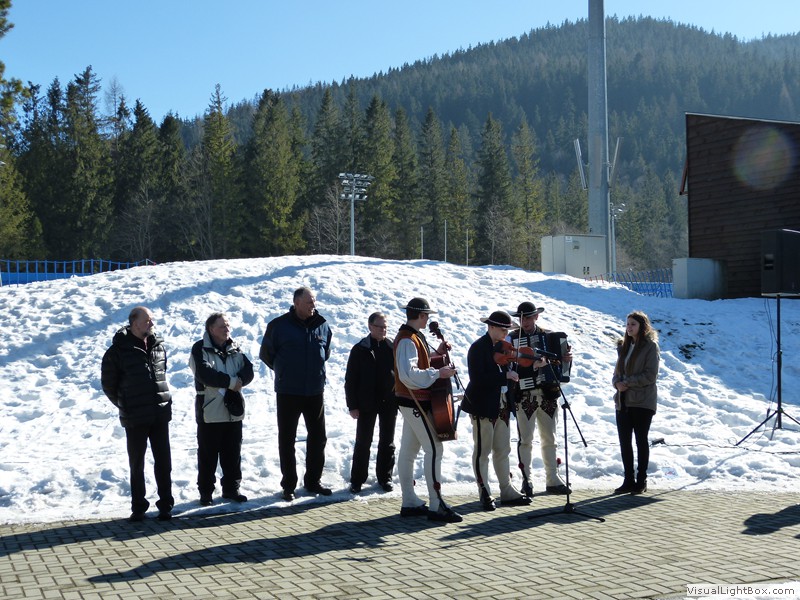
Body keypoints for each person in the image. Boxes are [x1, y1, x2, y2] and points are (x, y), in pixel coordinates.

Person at [101, 306, 174, 522]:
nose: (152, 324)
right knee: (137, 464)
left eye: (152, 320)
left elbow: (162, 374)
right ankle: (139, 507)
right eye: (147, 320)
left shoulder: (158, 346)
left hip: (159, 413)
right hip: (135, 417)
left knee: (164, 462)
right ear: (134, 323)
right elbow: (109, 385)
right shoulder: (117, 351)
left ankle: (166, 505)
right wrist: (125, 404)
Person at [260, 286, 333, 502]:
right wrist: (285, 372)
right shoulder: (278, 326)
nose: (313, 305)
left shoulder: (322, 325)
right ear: (297, 303)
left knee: (318, 437)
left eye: (314, 301)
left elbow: (325, 352)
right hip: (288, 391)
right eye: (309, 302)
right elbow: (267, 354)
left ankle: (313, 481)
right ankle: (289, 485)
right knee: (287, 439)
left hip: (314, 391)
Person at [394, 297, 462, 523]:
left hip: (411, 401)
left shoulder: (412, 337)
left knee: (409, 451)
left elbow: (417, 365)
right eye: (427, 316)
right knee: (434, 449)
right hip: (414, 401)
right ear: (421, 316)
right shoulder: (407, 340)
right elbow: (408, 374)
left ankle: (409, 501)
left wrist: (437, 355)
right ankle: (436, 504)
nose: (428, 320)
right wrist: (438, 373)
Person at [462, 311, 531, 511]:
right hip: (483, 406)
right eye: (502, 330)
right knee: (482, 451)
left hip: (502, 406)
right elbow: (477, 379)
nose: (505, 334)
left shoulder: (504, 348)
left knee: (503, 450)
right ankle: (484, 490)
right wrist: (504, 377)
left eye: (507, 330)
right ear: (491, 327)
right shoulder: (478, 348)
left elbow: (512, 372)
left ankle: (506, 490)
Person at [508, 301, 573, 497]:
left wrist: (565, 360)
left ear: (536, 317)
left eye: (528, 317)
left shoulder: (550, 336)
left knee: (550, 438)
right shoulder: (512, 339)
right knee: (525, 440)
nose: (524, 321)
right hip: (524, 394)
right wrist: (531, 367)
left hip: (548, 394)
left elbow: (560, 366)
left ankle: (552, 478)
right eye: (521, 318)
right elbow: (509, 367)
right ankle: (526, 479)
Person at [189, 312, 255, 506]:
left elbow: (249, 369)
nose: (227, 329)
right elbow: (205, 374)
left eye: (227, 325)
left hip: (233, 411)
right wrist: (232, 382)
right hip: (210, 411)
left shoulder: (235, 348)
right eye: (222, 326)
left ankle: (231, 489)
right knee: (208, 455)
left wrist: (240, 380)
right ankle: (206, 492)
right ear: (211, 329)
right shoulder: (199, 349)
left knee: (233, 453)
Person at [344, 311, 398, 494]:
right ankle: (357, 480)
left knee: (387, 442)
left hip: (389, 402)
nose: (383, 330)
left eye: (385, 327)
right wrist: (352, 405)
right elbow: (351, 379)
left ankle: (385, 478)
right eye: (379, 326)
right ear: (370, 326)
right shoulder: (360, 349)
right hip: (366, 403)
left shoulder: (392, 347)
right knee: (363, 442)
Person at [612, 310, 660, 495]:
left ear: (642, 327)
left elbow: (650, 375)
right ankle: (628, 480)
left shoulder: (650, 347)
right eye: (627, 324)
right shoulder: (624, 346)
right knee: (625, 442)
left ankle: (641, 480)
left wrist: (628, 383)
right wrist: (617, 383)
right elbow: (616, 373)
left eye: (633, 324)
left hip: (642, 401)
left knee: (641, 440)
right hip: (623, 401)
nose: (629, 327)